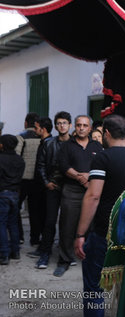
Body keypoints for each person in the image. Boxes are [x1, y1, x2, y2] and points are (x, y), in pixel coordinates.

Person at [74, 115, 125, 315]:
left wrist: (80, 234)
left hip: (106, 231)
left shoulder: (103, 157)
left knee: (94, 286)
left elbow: (93, 196)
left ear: (106, 133)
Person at [55, 115, 103, 277]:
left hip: (93, 190)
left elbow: (102, 166)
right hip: (72, 191)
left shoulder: (97, 145)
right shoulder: (67, 146)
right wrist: (81, 178)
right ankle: (64, 260)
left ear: (90, 128)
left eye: (85, 125)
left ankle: (88, 257)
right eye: (79, 125)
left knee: (92, 226)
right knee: (67, 225)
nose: (81, 128)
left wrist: (89, 177)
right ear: (75, 127)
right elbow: (64, 166)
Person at [32, 111, 72, 269]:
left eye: (64, 123)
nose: (62, 125)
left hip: (70, 188)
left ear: (69, 125)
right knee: (49, 221)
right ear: (55, 126)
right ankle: (45, 253)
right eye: (59, 123)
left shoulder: (75, 143)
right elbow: (40, 165)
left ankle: (65, 255)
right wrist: (47, 182)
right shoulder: (49, 143)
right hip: (52, 187)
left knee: (68, 223)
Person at [15, 112, 42, 247]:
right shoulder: (42, 137)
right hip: (37, 179)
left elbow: (16, 157)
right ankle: (35, 238)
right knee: (35, 209)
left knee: (15, 207)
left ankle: (19, 236)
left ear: (26, 123)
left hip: (22, 179)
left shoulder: (21, 137)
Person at [28, 117, 52, 258]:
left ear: (42, 129)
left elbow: (45, 166)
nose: (35, 130)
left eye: (36, 128)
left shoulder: (48, 144)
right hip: (41, 186)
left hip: (44, 187)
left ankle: (44, 247)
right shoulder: (44, 142)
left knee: (44, 218)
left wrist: (46, 182)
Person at [0, 135, 25, 265]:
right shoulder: (20, 160)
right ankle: (15, 251)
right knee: (13, 223)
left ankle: (4, 254)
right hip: (15, 194)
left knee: (1, 224)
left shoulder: (1, 159)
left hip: (2, 194)